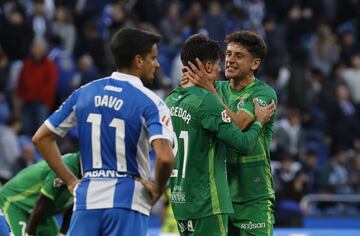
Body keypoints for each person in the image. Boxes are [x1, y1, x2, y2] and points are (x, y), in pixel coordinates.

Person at [32, 28, 174, 236]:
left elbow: (41, 138)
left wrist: (71, 181)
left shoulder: (84, 93)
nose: (158, 64)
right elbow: (165, 157)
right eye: (153, 58)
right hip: (128, 203)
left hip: (86, 201)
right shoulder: (151, 102)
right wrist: (158, 189)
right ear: (138, 60)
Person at [166, 34, 275, 236]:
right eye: (229, 54)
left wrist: (209, 90)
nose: (229, 60)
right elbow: (193, 97)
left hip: (252, 195)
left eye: (239, 56)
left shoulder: (263, 93)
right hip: (219, 194)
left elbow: (240, 125)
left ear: (255, 63)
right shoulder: (217, 87)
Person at [0, 152, 81, 236]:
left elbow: (72, 205)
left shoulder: (88, 174)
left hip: (41, 214)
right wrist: (30, 233)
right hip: (15, 203)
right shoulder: (68, 166)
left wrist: (62, 233)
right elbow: (42, 201)